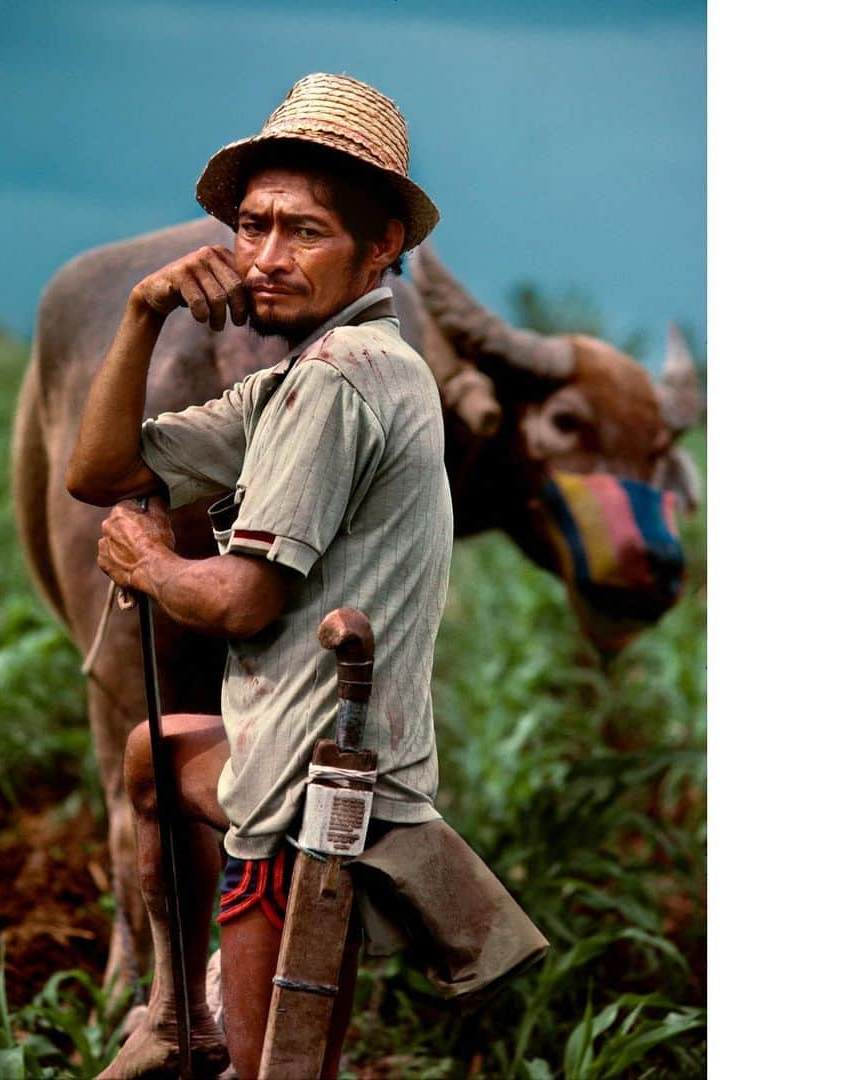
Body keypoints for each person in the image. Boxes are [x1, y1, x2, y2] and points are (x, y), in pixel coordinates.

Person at [67, 73, 546, 1080]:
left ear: (382, 251)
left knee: (271, 1066)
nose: (268, 258)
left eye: (305, 232)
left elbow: (244, 599)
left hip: (312, 798)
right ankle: (171, 1011)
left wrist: (151, 563)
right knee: (157, 756)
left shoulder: (337, 384)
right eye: (253, 227)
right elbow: (98, 471)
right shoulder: (301, 376)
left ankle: (206, 1028)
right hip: (279, 750)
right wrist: (145, 312)